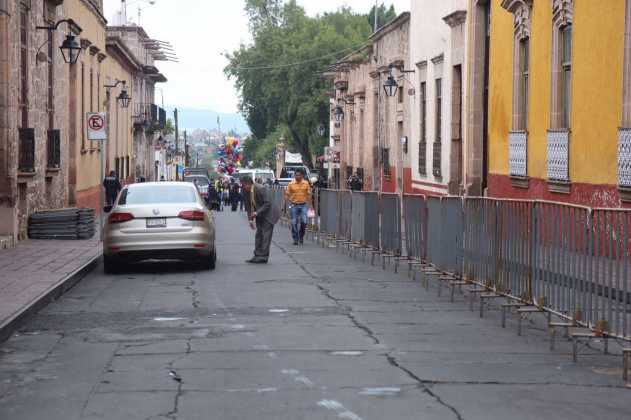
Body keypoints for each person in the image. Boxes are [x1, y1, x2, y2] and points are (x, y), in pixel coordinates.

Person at [242, 177, 280, 264]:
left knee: (265, 235)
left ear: (249, 183)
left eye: (244, 185)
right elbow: (248, 206)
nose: (243, 187)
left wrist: (257, 212)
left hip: (269, 214)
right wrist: (250, 220)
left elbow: (267, 203)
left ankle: (263, 256)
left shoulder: (261, 188)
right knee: (258, 235)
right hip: (259, 214)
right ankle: (257, 255)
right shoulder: (245, 191)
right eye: (243, 185)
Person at [284, 168, 312, 245]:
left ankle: (301, 235)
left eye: (299, 175)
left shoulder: (306, 183)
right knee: (293, 222)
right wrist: (284, 205)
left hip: (303, 205)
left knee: (304, 221)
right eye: (296, 175)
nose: (297, 176)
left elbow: (309, 195)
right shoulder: (291, 184)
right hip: (294, 205)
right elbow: (287, 195)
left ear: (302, 176)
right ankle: (295, 238)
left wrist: (311, 206)